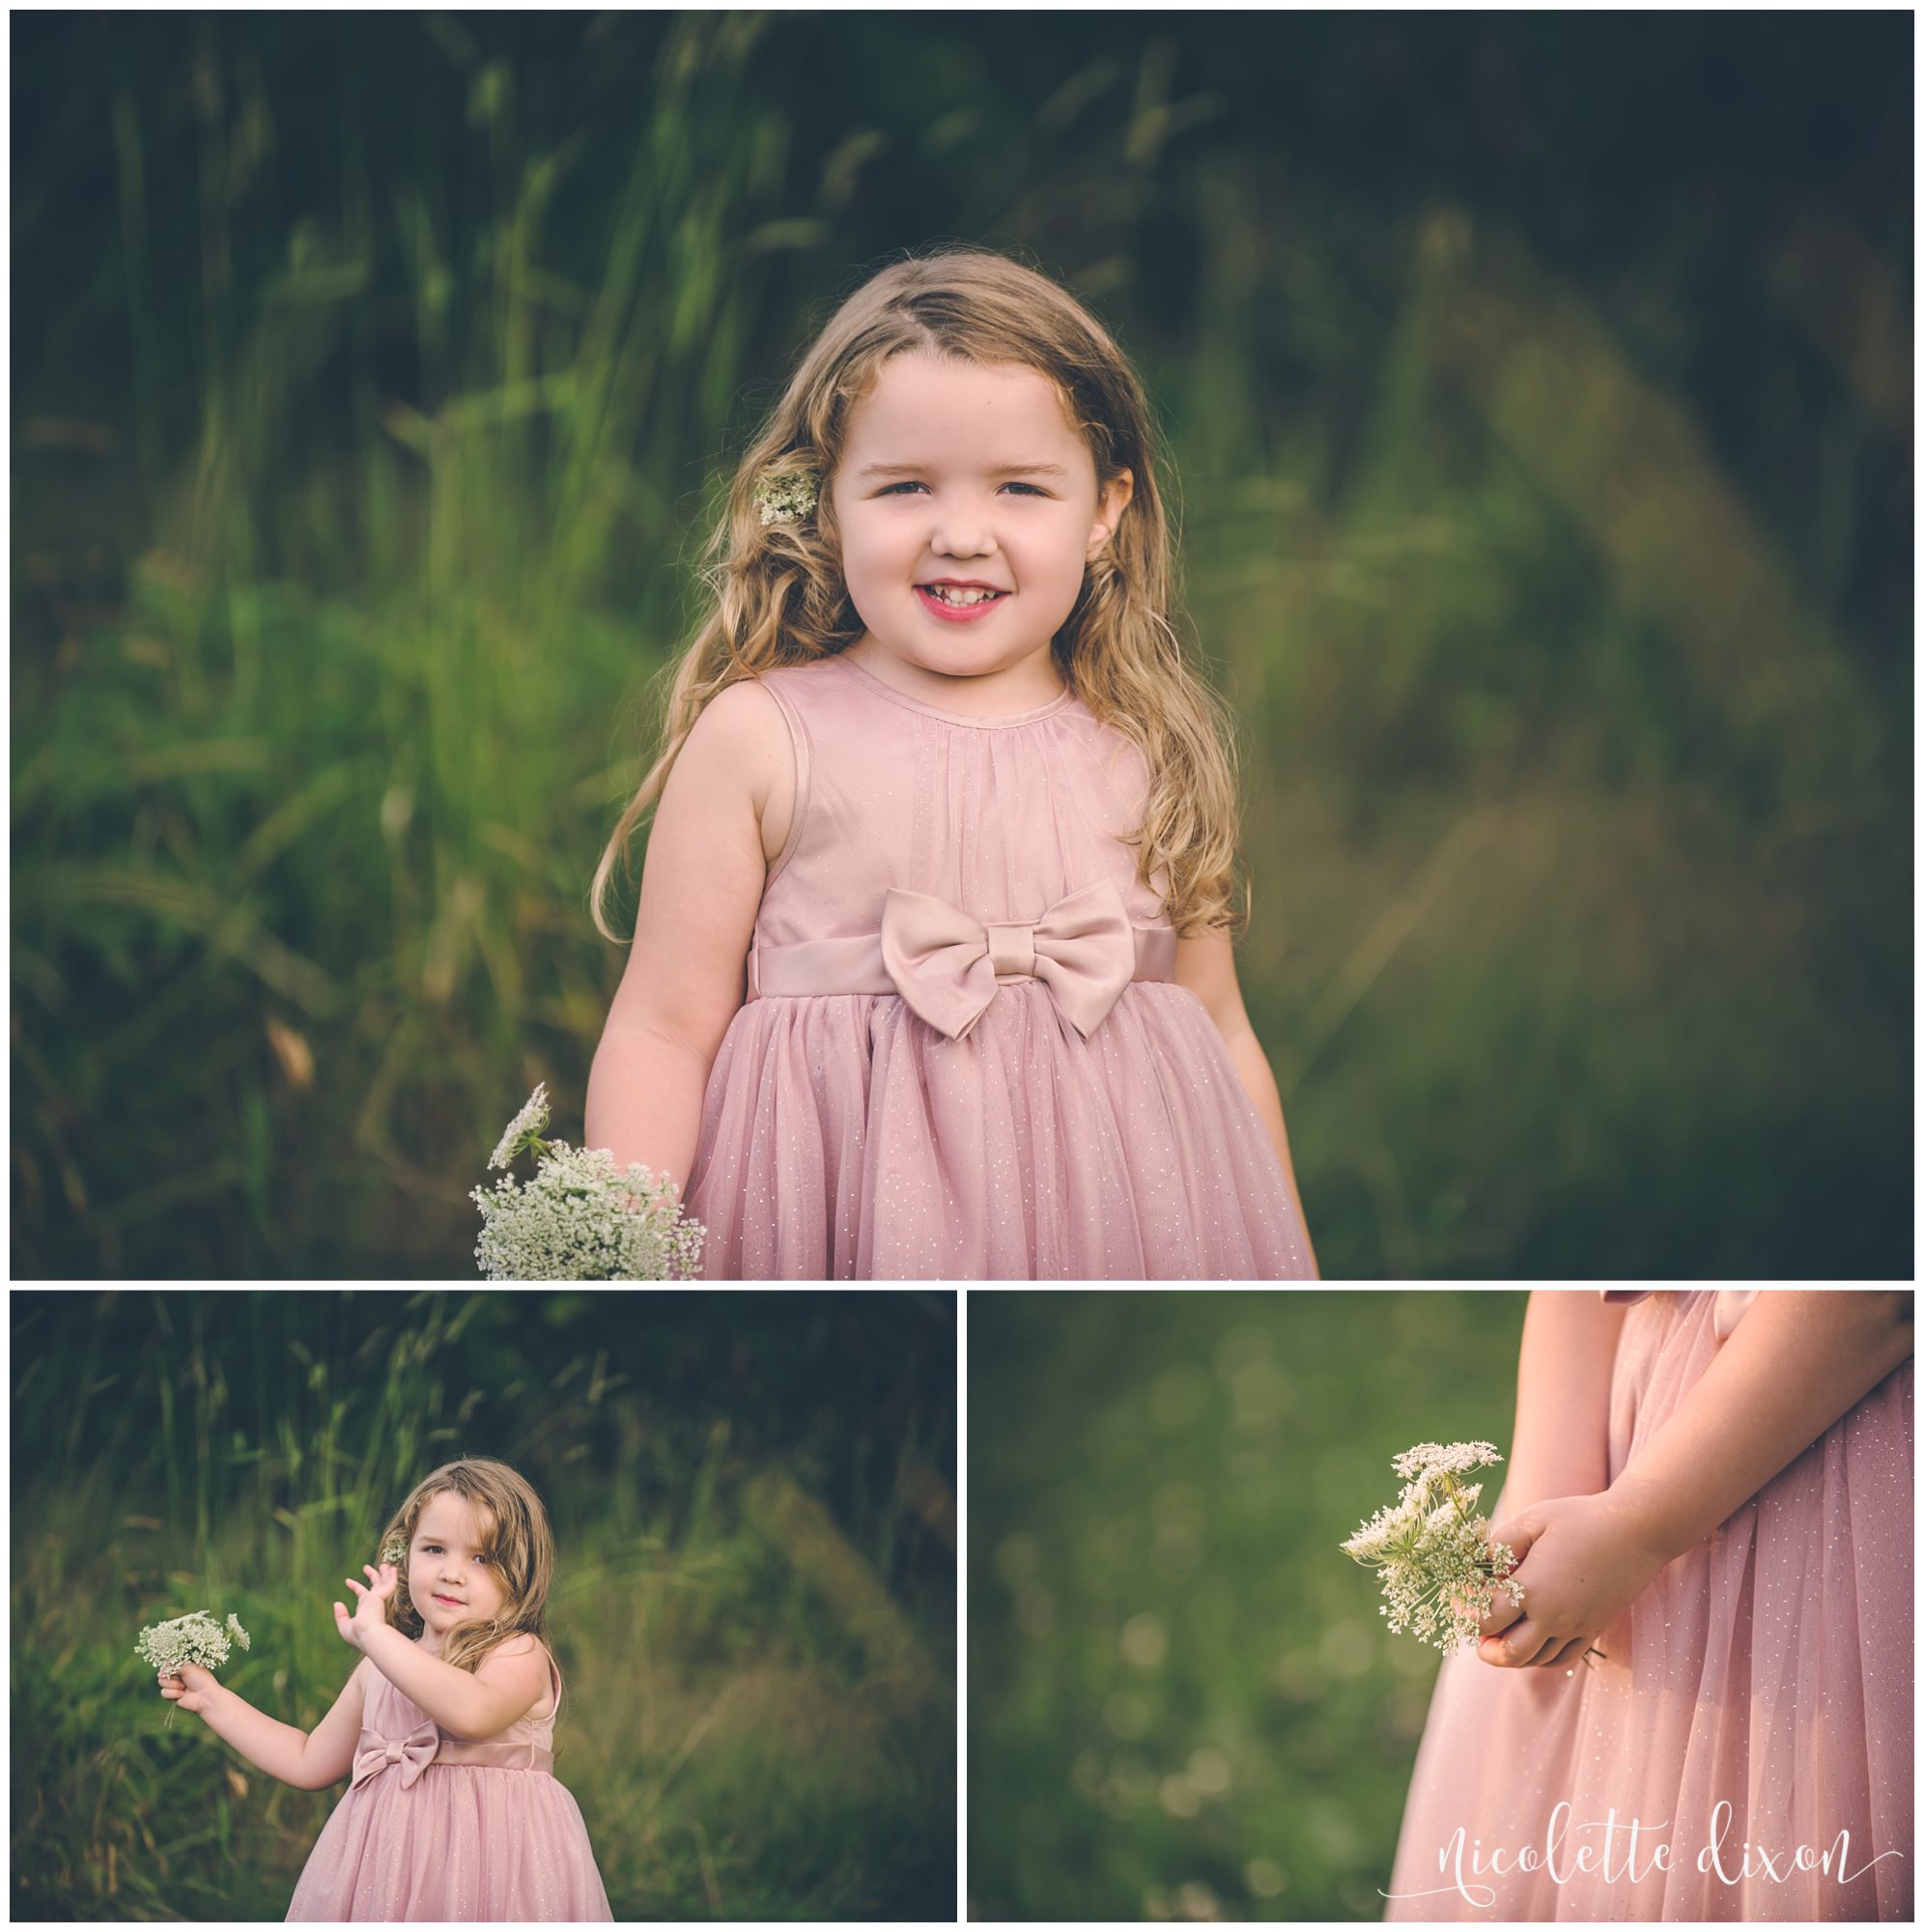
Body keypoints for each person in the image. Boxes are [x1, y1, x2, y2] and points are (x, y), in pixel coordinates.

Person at [583, 244, 1317, 1279]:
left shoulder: (1152, 744)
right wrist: (617, 1255)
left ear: (1106, 510)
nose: (962, 534)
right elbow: (662, 1030)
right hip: (841, 1208)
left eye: (1021, 487)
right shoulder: (762, 737)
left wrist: (1287, 1263)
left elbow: (1221, 1027)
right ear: (823, 500)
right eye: (905, 486)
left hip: (1121, 1223)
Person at [1384, 1290, 1912, 1921]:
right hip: (1622, 1446)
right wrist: (1541, 1517)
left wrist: (1640, 1524)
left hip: (1829, 1457)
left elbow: (1879, 1293)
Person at [159, 1458, 612, 1920]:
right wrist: (212, 1698)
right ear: (404, 1554)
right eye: (434, 1549)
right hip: (388, 1872)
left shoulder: (518, 1653)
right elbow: (307, 1759)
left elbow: (474, 1713)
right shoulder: (379, 1668)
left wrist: (375, 1635)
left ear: (522, 1573)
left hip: (496, 1871)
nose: (452, 1572)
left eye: (481, 1558)